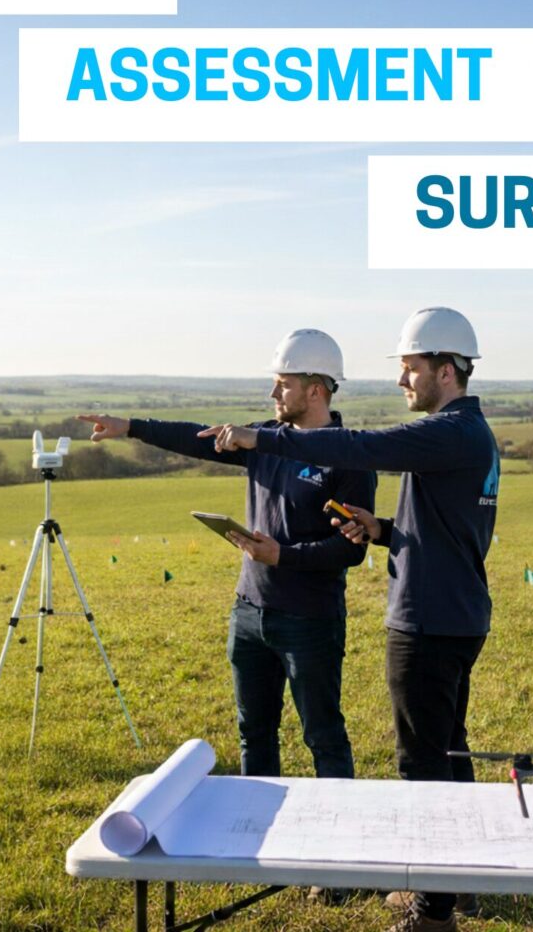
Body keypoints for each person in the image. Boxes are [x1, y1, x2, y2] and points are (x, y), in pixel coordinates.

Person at [200, 306, 499, 932]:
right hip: (454, 608)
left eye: (410, 369)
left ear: (446, 371)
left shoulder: (452, 432)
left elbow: (359, 444)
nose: (401, 383)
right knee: (448, 749)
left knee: (422, 762)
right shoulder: (468, 436)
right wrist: (382, 529)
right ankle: (462, 884)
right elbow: (451, 531)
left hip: (429, 617)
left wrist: (264, 436)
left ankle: (432, 908)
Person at [77, 329, 376, 783]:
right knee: (253, 733)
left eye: (284, 383)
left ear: (316, 389)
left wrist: (284, 557)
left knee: (323, 737)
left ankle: (335, 836)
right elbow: (200, 438)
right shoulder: (266, 440)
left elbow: (351, 551)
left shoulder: (349, 457)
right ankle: (252, 826)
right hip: (249, 613)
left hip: (310, 622)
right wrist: (130, 427)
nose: (273, 392)